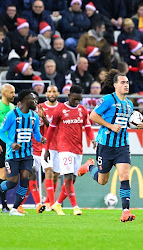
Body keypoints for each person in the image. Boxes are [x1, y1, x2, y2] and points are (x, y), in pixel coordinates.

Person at [77, 69, 143, 222]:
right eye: (123, 82)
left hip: (122, 145)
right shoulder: (108, 100)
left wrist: (141, 124)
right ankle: (89, 166)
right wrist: (110, 125)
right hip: (106, 145)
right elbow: (93, 116)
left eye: (127, 82)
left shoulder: (129, 104)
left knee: (124, 175)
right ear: (115, 85)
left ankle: (126, 211)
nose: (126, 85)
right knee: (103, 181)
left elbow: (132, 121)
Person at [0, 89, 46, 216]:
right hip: (12, 155)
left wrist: (42, 139)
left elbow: (36, 134)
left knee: (25, 180)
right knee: (12, 182)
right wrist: (11, 143)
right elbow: (1, 132)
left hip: (27, 154)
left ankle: (15, 209)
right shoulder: (12, 115)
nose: (36, 102)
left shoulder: (34, 116)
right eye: (33, 100)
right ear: (25, 101)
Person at [44, 85, 94, 216]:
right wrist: (47, 148)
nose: (77, 102)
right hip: (64, 148)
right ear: (69, 96)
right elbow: (51, 130)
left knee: (73, 179)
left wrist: (92, 139)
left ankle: (57, 204)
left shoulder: (83, 110)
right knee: (67, 177)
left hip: (78, 149)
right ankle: (75, 207)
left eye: (79, 99)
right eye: (75, 99)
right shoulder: (59, 109)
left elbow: (88, 127)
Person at [0, 84, 15, 213]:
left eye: (14, 92)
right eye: (11, 92)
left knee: (9, 175)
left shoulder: (12, 108)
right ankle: (5, 206)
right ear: (4, 93)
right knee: (3, 174)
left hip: (9, 143)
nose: (13, 95)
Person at [40, 86, 61, 211]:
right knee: (48, 171)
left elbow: (58, 127)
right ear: (46, 93)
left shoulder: (62, 108)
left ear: (58, 93)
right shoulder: (40, 107)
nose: (52, 94)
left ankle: (48, 201)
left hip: (59, 146)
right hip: (46, 146)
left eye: (54, 91)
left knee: (56, 175)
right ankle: (53, 203)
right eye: (49, 91)